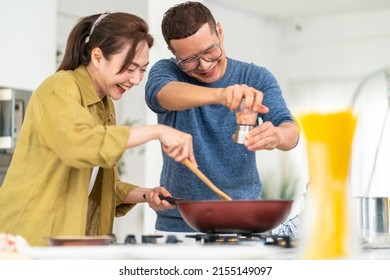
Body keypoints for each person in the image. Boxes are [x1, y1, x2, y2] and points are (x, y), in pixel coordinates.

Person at [0, 11, 197, 247]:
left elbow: (99, 185)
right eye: (129, 68)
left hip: (66, 241)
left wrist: (147, 195)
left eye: (142, 70)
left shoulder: (105, 105)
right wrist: (157, 131)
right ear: (97, 56)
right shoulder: (59, 89)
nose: (136, 80)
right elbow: (81, 145)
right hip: (26, 235)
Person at [145, 1, 300, 234]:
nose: (205, 65)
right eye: (189, 60)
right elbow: (162, 94)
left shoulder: (255, 76)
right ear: (173, 54)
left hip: (246, 222)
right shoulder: (167, 71)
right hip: (179, 225)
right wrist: (221, 95)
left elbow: (290, 131)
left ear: (220, 31)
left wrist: (277, 135)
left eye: (209, 51)